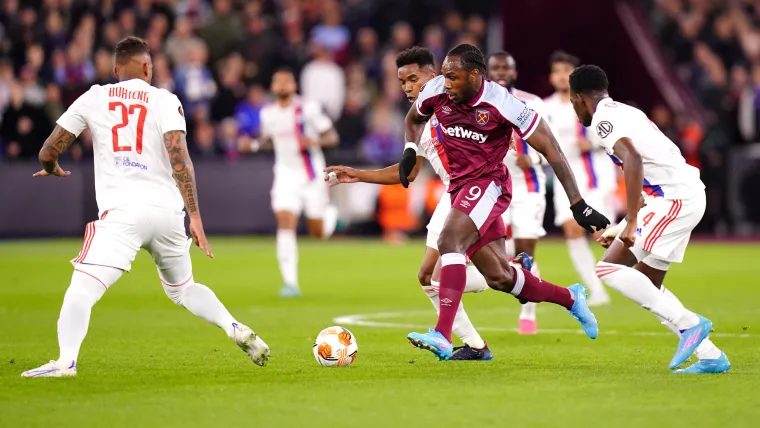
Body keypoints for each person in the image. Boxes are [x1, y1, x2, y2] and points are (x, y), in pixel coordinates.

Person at [22, 37, 270, 378]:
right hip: (168, 214)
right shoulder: (165, 99)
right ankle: (233, 326)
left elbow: (49, 150)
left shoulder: (95, 96)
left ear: (115, 70)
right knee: (183, 289)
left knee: (82, 287)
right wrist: (194, 216)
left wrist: (51, 167)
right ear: (147, 67)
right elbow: (180, 157)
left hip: (123, 213)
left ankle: (65, 362)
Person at [400, 44, 609, 360]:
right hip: (460, 188)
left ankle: (442, 334)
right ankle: (570, 298)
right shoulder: (436, 90)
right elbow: (414, 119)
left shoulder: (505, 104)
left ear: (474, 75)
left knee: (449, 240)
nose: (446, 84)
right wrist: (408, 150)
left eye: (453, 78)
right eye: (444, 76)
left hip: (489, 185)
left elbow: (553, 150)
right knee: (501, 278)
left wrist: (577, 203)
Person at [325, 46, 494, 360]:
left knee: (445, 275)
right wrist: (357, 174)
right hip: (451, 193)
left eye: (413, 79)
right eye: (402, 81)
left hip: (475, 191)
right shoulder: (419, 118)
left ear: (432, 75)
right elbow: (409, 172)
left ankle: (508, 274)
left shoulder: (451, 105)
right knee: (427, 277)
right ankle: (476, 345)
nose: (406, 87)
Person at [569, 65, 730, 374]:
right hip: (678, 194)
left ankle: (690, 324)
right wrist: (620, 226)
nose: (575, 111)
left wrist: (630, 221)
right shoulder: (627, 111)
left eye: (572, 103)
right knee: (647, 284)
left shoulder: (603, 120)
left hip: (674, 198)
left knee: (607, 269)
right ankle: (711, 356)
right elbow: (649, 174)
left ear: (579, 98)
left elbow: (633, 159)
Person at [242, 68, 340, 298]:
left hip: (311, 175)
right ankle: (290, 282)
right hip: (285, 174)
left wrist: (314, 140)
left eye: (287, 80)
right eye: (278, 80)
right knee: (285, 221)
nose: (282, 84)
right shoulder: (268, 113)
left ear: (294, 85)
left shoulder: (308, 108)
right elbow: (268, 140)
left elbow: (332, 136)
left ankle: (331, 215)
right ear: (273, 87)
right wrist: (253, 146)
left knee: (318, 232)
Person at [543, 51, 614, 306]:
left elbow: (612, 131)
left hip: (593, 176)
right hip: (565, 179)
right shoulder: (545, 107)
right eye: (557, 71)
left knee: (604, 233)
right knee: (572, 230)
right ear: (551, 77)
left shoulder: (591, 100)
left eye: (566, 70)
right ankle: (597, 290)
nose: (562, 75)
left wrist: (592, 142)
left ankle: (640, 274)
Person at [486, 51, 548, 335]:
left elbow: (551, 145)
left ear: (514, 73)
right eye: (495, 68)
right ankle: (522, 285)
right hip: (494, 187)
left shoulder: (532, 103)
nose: (501, 72)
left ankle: (528, 313)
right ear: (486, 72)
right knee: (502, 251)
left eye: (505, 68)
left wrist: (533, 160)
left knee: (525, 252)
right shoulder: (479, 103)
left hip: (528, 187)